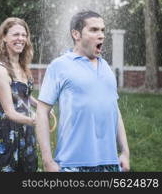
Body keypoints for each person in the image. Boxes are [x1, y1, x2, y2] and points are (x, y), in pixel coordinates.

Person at [36, 10, 130, 172]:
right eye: (94, 30)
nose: (101, 35)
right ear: (76, 34)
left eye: (102, 30)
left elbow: (115, 110)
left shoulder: (106, 67)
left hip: (110, 163)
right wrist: (47, 162)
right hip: (72, 164)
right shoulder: (59, 66)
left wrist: (125, 152)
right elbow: (42, 112)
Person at [0, 17, 38, 172]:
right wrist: (35, 121)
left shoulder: (22, 66)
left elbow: (24, 96)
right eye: (16, 34)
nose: (21, 39)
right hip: (6, 130)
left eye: (24, 35)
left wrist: (43, 107)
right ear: (4, 37)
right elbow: (10, 111)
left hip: (24, 128)